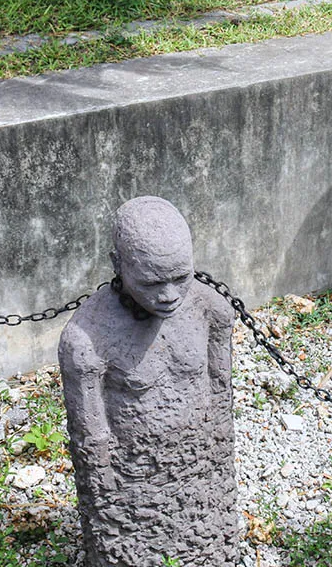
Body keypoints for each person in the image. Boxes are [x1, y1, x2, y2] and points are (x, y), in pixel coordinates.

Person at [58, 196, 237, 567]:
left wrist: (218, 455)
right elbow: (89, 432)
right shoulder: (88, 335)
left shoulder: (210, 310)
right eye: (152, 282)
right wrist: (106, 491)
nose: (169, 295)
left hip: (199, 473)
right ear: (119, 266)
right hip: (134, 480)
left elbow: (220, 390)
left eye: (180, 277)